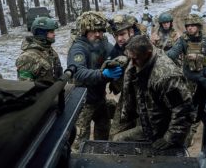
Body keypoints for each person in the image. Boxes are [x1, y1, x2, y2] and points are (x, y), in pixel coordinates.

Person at [113, 35, 194, 150]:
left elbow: (184, 111)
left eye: (135, 59)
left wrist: (169, 138)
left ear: (148, 54)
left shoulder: (167, 77)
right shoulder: (141, 58)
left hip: (164, 131)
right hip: (149, 123)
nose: (132, 63)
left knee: (120, 142)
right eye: (130, 58)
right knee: (117, 140)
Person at [166, 13, 206, 145]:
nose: (190, 28)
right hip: (188, 80)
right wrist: (159, 56)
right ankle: (184, 130)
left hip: (204, 80)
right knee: (186, 105)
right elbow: (171, 54)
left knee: (199, 107)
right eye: (188, 26)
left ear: (198, 26)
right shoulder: (183, 40)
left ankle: (191, 132)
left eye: (193, 25)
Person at [67, 11, 122, 150]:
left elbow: (116, 53)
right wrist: (103, 74)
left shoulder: (102, 43)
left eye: (100, 31)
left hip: (99, 98)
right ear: (85, 31)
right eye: (93, 31)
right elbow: (78, 72)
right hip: (82, 102)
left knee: (103, 134)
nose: (98, 34)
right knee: (78, 141)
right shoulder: (78, 47)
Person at [106, 14, 136, 139]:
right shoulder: (116, 49)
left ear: (131, 32)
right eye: (116, 35)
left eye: (122, 34)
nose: (119, 39)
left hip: (147, 100)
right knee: (114, 136)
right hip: (126, 98)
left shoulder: (143, 47)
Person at [15, 17, 63, 82]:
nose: (54, 34)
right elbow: (25, 87)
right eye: (51, 32)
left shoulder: (50, 51)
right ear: (41, 33)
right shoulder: (27, 57)